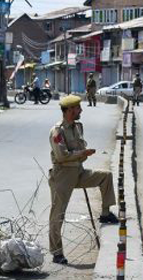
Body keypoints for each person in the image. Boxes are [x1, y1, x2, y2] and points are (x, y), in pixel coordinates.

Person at [48, 95, 119, 265]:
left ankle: (105, 212)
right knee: (57, 215)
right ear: (70, 110)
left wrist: (82, 155)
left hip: (77, 171)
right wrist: (82, 154)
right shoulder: (58, 131)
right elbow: (62, 156)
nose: (81, 110)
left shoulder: (77, 127)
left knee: (105, 177)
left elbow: (80, 148)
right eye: (78, 108)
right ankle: (57, 252)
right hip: (63, 175)